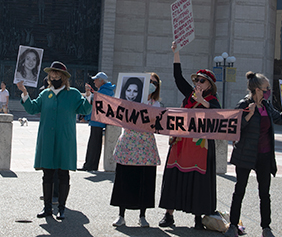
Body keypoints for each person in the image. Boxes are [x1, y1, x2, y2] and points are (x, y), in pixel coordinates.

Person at [17, 61, 92, 220]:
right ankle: (47, 208)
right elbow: (32, 108)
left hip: (65, 139)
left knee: (63, 173)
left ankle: (62, 208)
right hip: (48, 139)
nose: (55, 77)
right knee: (47, 174)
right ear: (49, 77)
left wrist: (89, 97)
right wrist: (24, 93)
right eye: (52, 75)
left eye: (58, 75)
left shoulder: (73, 94)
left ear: (64, 78)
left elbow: (84, 109)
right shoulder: (45, 94)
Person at [158, 41, 220, 230]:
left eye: (202, 81)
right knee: (174, 174)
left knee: (198, 179)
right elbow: (178, 77)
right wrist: (176, 53)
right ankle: (169, 215)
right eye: (196, 81)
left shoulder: (212, 100)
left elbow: (218, 114)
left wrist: (203, 102)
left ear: (209, 85)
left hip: (201, 147)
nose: (197, 83)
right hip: (181, 143)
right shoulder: (189, 95)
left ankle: (198, 217)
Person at [223, 72, 282, 237]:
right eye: (266, 88)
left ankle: (266, 227)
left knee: (264, 193)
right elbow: (235, 129)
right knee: (239, 191)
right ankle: (233, 225)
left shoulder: (266, 105)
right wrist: (249, 115)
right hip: (245, 154)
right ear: (257, 89)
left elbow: (279, 119)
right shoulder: (244, 104)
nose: (268, 91)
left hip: (264, 156)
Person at [110, 73, 161, 227]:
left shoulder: (156, 104)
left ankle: (143, 215)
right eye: (150, 82)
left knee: (145, 181)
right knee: (124, 180)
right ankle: (121, 215)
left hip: (146, 147)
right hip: (128, 145)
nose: (152, 85)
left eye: (155, 83)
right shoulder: (127, 101)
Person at [79, 72, 116, 171]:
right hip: (99, 121)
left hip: (98, 121)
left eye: (96, 79)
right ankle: (91, 165)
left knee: (94, 144)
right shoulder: (106, 91)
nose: (94, 81)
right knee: (95, 144)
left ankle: (90, 165)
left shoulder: (103, 92)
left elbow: (96, 108)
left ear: (101, 80)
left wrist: (86, 118)